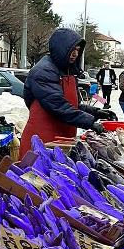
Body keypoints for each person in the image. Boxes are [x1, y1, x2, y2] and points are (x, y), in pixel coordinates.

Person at [20, 28, 111, 158]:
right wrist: (90, 122)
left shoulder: (66, 71)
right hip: (41, 139)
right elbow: (58, 106)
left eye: (78, 51)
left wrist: (95, 112)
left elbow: (73, 104)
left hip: (62, 138)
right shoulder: (43, 71)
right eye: (72, 50)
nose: (75, 54)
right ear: (61, 48)